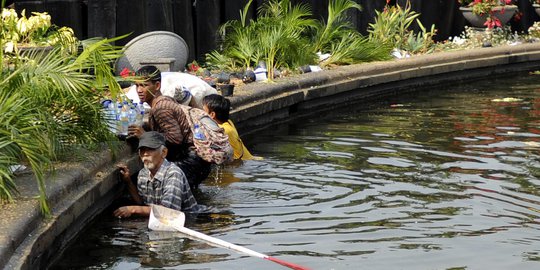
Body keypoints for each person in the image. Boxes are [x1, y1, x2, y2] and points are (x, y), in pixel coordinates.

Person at [128, 65, 212, 189]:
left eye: (144, 85)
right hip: (196, 160)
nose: (139, 90)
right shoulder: (163, 102)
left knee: (175, 204)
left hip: (189, 161)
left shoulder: (161, 108)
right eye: (137, 85)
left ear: (157, 86)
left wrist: (145, 135)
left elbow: (175, 138)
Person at [114, 131, 199, 218]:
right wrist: (128, 182)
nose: (145, 154)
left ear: (164, 152)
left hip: (189, 219)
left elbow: (169, 211)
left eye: (150, 149)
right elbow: (142, 202)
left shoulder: (173, 174)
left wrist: (133, 209)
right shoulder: (143, 173)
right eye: (142, 150)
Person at [202, 94, 257, 160]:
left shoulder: (222, 130)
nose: (201, 113)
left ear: (212, 114)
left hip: (243, 163)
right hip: (250, 159)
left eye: (203, 111)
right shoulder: (228, 122)